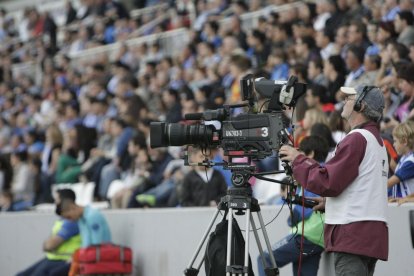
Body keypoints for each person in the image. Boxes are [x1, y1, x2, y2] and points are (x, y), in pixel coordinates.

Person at [279, 85, 389, 276]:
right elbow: (360, 189)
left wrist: (298, 159)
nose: (344, 101)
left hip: (353, 235)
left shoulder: (356, 138)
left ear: (360, 106)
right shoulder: (375, 140)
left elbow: (327, 182)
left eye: (349, 98)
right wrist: (329, 203)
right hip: (368, 234)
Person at [258, 135, 328, 276]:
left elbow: (305, 207)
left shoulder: (313, 173)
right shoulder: (327, 171)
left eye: (300, 153)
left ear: (311, 154)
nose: (296, 157)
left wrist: (292, 218)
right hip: (320, 239)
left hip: (305, 235)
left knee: (265, 259)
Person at [16, 189, 81, 276]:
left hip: (62, 260)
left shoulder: (71, 221)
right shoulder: (64, 219)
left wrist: (48, 244)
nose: (55, 202)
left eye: (57, 200)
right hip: (52, 258)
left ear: (64, 201)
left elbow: (50, 245)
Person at [387, 120, 414, 199]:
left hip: (408, 207)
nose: (393, 144)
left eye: (395, 141)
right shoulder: (404, 158)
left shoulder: (411, 162)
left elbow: (389, 183)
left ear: (405, 141)